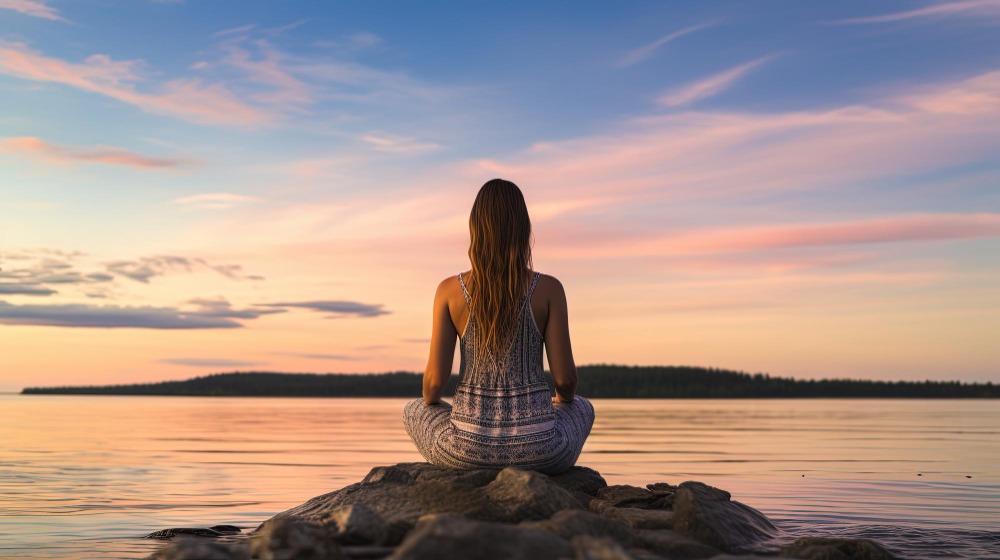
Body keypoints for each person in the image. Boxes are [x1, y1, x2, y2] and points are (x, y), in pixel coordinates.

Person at [403, 178, 595, 475]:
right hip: (542, 451)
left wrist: (456, 412)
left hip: (465, 450)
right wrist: (559, 404)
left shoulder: (449, 291)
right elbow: (566, 381)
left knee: (413, 408)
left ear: (476, 228)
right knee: (582, 405)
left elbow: (433, 386)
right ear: (523, 229)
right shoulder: (549, 289)